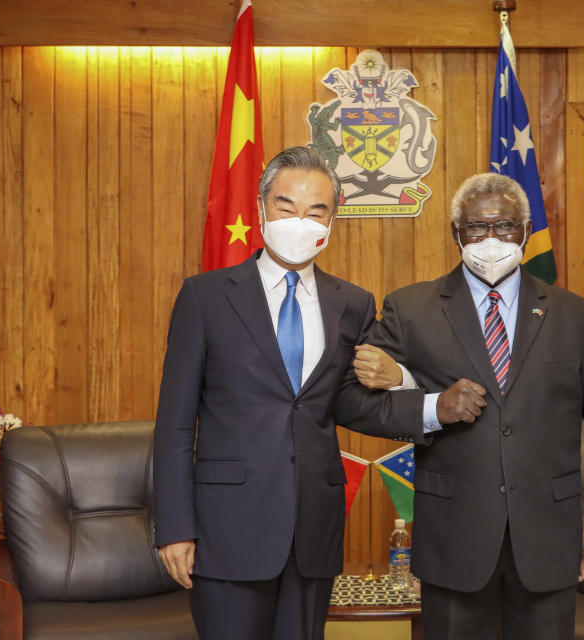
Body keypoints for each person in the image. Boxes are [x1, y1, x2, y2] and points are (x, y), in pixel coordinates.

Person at [152, 146, 428, 640]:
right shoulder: (205, 296)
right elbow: (174, 423)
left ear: (333, 219)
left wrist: (404, 381)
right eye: (286, 207)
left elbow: (349, 405)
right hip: (227, 529)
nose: (300, 221)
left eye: (315, 210)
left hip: (313, 530)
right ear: (261, 209)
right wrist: (174, 527)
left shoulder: (352, 303)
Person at [351, 173, 584, 639]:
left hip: (548, 539)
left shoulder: (574, 315)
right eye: (475, 228)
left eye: (503, 226)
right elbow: (354, 404)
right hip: (453, 538)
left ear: (525, 230)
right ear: (455, 235)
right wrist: (432, 408)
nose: (490, 239)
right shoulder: (411, 308)